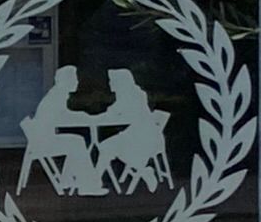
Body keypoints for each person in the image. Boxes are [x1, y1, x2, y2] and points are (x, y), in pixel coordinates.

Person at [19, 66, 97, 195]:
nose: (77, 82)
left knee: (75, 142)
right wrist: (82, 116)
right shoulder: (57, 96)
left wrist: (79, 115)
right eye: (74, 79)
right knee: (77, 142)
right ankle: (87, 185)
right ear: (66, 81)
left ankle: (67, 180)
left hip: (41, 140)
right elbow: (61, 116)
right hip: (45, 143)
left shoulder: (56, 94)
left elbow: (62, 114)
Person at [101, 70, 169, 193]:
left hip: (145, 136)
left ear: (121, 82)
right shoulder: (124, 94)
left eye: (112, 81)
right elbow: (113, 110)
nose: (110, 84)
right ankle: (95, 181)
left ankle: (143, 172)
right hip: (133, 134)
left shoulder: (135, 94)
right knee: (105, 146)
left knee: (108, 147)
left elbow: (124, 114)